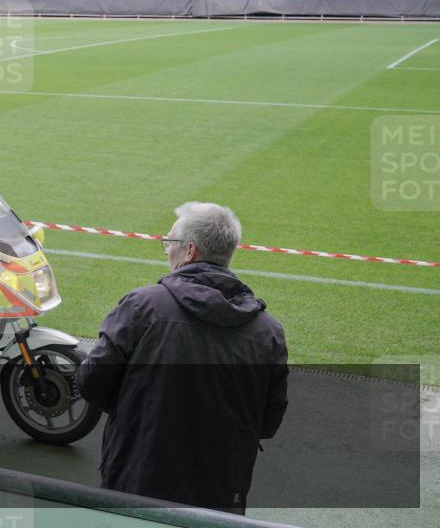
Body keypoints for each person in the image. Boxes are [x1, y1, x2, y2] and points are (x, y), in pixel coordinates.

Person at [76, 202, 288, 514]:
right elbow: (268, 422)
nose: (165, 251)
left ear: (189, 251)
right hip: (221, 495)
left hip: (140, 482)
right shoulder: (269, 332)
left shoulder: (141, 306)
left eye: (169, 243)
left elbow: (92, 382)